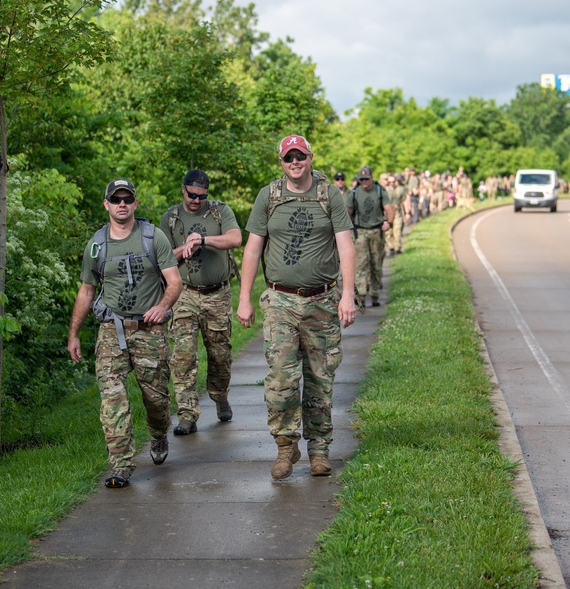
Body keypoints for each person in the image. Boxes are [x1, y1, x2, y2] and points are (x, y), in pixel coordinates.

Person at [237, 134, 356, 480]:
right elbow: (252, 249)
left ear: (310, 157)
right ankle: (285, 448)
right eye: (289, 158)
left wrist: (348, 294)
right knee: (280, 380)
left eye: (300, 156)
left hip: (322, 300)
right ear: (282, 161)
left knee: (320, 378)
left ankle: (319, 449)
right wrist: (244, 299)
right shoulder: (269, 196)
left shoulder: (328, 194)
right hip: (280, 301)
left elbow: (345, 246)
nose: (295, 163)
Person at [68, 179, 183, 489]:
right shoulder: (97, 244)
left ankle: (159, 434)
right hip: (111, 331)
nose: (122, 204)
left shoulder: (152, 237)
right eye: (115, 199)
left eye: (127, 199)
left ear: (134, 203)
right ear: (106, 204)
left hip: (149, 331)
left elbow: (174, 282)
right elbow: (87, 290)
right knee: (112, 400)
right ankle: (121, 465)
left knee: (156, 402)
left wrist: (162, 306)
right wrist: (74, 333)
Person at [159, 169, 243, 435]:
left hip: (217, 294)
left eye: (201, 196)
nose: (196, 200)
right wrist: (182, 250)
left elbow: (236, 239)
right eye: (192, 195)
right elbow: (161, 258)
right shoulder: (170, 218)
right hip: (183, 293)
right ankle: (187, 414)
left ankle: (219, 395)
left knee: (220, 354)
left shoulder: (219, 212)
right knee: (183, 357)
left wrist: (204, 240)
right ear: (183, 189)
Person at [347, 165, 394, 308]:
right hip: (360, 231)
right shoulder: (354, 193)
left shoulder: (379, 191)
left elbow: (390, 209)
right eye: (361, 179)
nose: (364, 182)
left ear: (371, 177)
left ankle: (374, 294)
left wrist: (389, 223)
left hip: (376, 231)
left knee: (376, 263)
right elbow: (348, 212)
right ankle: (361, 294)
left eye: (366, 179)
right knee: (361, 263)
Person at [385, 173, 406, 256]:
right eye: (390, 182)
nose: (392, 183)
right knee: (389, 232)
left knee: (397, 230)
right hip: (387, 212)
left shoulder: (400, 189)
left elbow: (404, 201)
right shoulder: (384, 190)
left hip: (397, 211)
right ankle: (391, 247)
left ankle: (398, 247)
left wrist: (407, 213)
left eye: (393, 181)